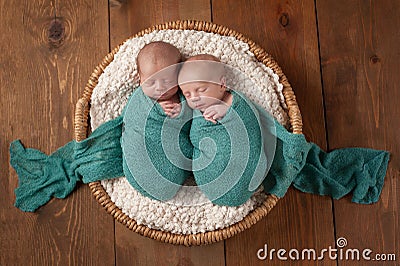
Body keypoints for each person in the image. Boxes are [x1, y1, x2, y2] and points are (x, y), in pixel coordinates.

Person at [178, 54, 269, 206]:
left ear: (222, 84)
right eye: (187, 94)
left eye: (200, 90)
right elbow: (194, 136)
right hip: (212, 178)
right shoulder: (194, 113)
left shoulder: (235, 101)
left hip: (244, 163)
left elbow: (252, 123)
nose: (194, 98)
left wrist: (228, 112)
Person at [121, 41, 193, 201]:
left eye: (167, 81)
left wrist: (182, 112)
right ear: (139, 78)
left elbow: (193, 122)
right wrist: (155, 110)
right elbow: (130, 117)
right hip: (143, 147)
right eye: (151, 82)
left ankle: (169, 180)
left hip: (171, 151)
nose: (160, 88)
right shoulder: (140, 98)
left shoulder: (186, 95)